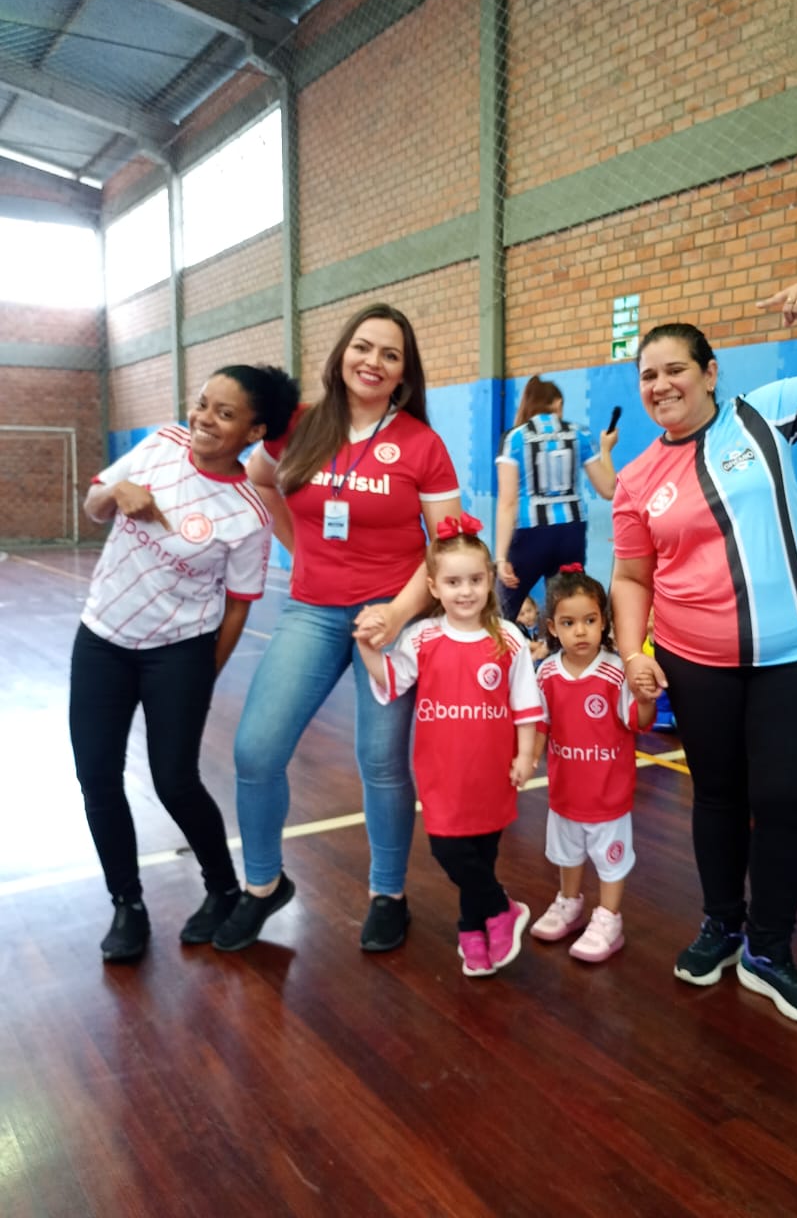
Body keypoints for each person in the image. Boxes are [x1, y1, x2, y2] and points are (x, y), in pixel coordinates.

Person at [611, 276, 797, 1026]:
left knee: (787, 800)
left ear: (709, 373)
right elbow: (631, 576)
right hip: (695, 663)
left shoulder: (762, 415)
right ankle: (721, 925)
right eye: (647, 375)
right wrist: (632, 652)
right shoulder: (635, 479)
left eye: (675, 368)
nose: (660, 385)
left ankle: (769, 950)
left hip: (793, 657)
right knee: (718, 797)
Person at [213, 304, 460, 954]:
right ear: (342, 352)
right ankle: (262, 886)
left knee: (380, 760)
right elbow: (262, 482)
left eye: (389, 355)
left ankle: (388, 894)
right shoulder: (299, 427)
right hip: (312, 612)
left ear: (403, 374)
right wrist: (300, 551)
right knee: (256, 751)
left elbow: (448, 544)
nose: (372, 362)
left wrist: (398, 613)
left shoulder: (421, 444)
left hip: (391, 617)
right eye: (363, 347)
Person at [69, 364, 300, 961]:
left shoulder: (247, 514)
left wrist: (204, 674)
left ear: (255, 431)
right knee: (97, 776)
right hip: (103, 639)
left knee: (175, 781)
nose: (203, 419)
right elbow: (94, 505)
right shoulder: (160, 444)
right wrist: (115, 492)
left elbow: (239, 605)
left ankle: (223, 888)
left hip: (179, 652)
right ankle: (127, 904)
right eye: (202, 404)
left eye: (225, 414)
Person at [355, 514, 542, 977]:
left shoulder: (509, 639)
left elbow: (526, 706)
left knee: (482, 855)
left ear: (489, 580)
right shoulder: (422, 637)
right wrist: (367, 648)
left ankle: (472, 931)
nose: (466, 591)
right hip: (441, 774)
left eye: (475, 580)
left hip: (492, 772)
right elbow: (392, 681)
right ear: (433, 587)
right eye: (453, 582)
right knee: (448, 850)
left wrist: (525, 755)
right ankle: (503, 909)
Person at [530, 565, 654, 962]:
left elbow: (639, 722)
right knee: (566, 855)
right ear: (553, 627)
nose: (580, 631)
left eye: (589, 620)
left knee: (610, 862)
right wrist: (528, 757)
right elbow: (540, 725)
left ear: (604, 622)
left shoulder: (616, 672)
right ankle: (569, 903)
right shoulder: (547, 673)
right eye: (569, 623)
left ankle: (609, 919)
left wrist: (645, 698)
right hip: (565, 793)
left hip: (608, 797)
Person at [494, 375, 618, 621]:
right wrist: (606, 449)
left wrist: (500, 557)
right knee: (568, 606)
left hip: (530, 532)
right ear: (558, 403)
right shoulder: (580, 433)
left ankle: (494, 645)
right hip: (570, 532)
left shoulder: (514, 438)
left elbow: (508, 502)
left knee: (501, 609)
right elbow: (608, 489)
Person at [516, 593, 549, 662]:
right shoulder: (519, 630)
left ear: (536, 608)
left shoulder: (543, 622)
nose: (527, 616)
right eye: (522, 614)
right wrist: (530, 645)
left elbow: (547, 645)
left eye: (529, 611)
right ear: (517, 618)